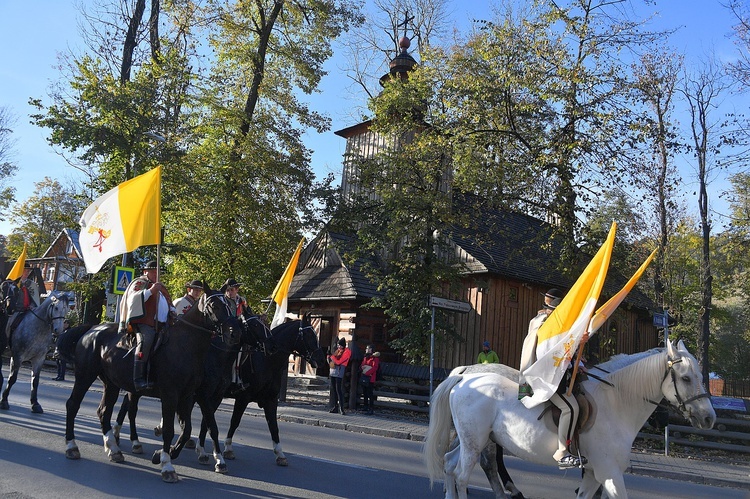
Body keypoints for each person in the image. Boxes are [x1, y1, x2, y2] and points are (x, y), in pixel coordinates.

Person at [518, 288, 587, 470]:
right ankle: (562, 452)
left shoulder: (552, 322)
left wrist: (578, 363)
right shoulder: (544, 323)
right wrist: (577, 341)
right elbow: (551, 352)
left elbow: (565, 351)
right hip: (545, 376)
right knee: (571, 407)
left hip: (557, 372)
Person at [119, 260, 176, 391]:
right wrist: (150, 291)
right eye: (153, 271)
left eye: (158, 272)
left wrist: (172, 310)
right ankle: (138, 378)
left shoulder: (161, 287)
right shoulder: (140, 282)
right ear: (146, 272)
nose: (156, 274)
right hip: (145, 323)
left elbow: (169, 302)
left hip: (162, 325)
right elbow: (133, 299)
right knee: (146, 340)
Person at [328, 337, 351, 415]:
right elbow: (333, 361)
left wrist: (331, 357)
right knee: (334, 389)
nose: (338, 347)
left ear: (343, 346)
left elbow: (339, 361)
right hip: (333, 371)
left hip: (339, 371)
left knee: (339, 390)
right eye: (338, 345)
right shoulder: (337, 351)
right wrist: (329, 358)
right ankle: (335, 407)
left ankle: (341, 408)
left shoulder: (347, 352)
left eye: (340, 346)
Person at [359, 344, 380, 415]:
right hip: (365, 376)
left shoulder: (375, 358)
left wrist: (367, 372)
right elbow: (362, 365)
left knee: (370, 394)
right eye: (366, 348)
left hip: (370, 378)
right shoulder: (366, 357)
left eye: (368, 348)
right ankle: (365, 406)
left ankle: (371, 409)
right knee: (364, 392)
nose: (366, 349)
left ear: (371, 349)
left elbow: (374, 368)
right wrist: (363, 368)